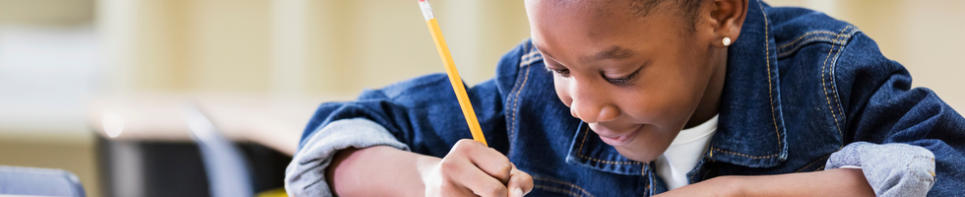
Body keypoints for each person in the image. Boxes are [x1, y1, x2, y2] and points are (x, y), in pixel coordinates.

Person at [285, 0, 965, 196]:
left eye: (619, 72)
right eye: (557, 64)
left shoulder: (824, 69)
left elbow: (948, 168)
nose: (580, 102)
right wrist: (428, 177)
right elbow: (338, 139)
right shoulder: (528, 91)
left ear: (721, 13)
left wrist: (750, 194)